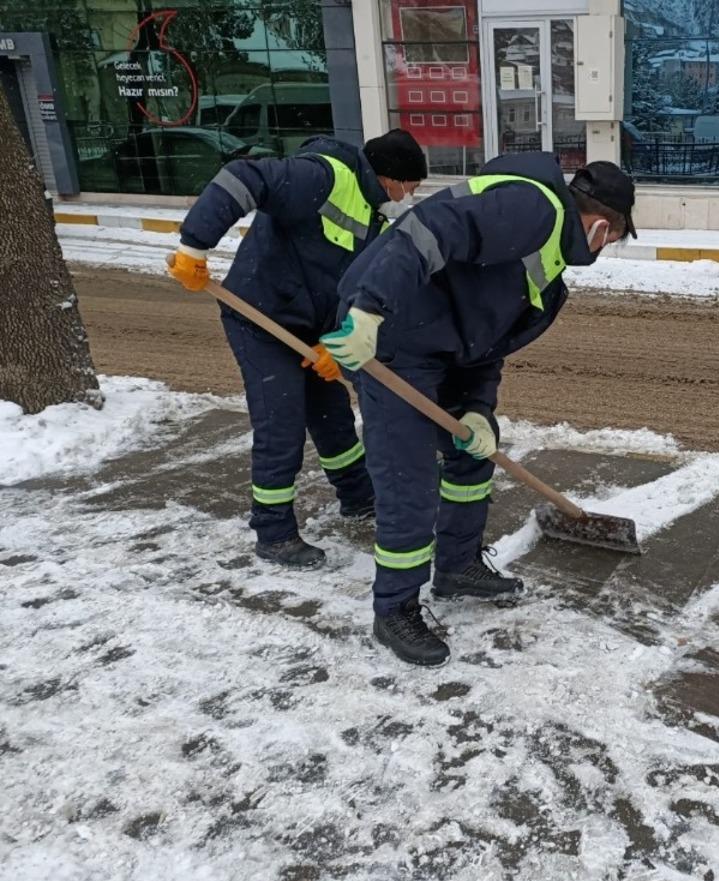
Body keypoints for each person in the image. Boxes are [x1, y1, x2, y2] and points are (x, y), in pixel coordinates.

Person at [322, 152, 636, 667]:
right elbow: (424, 230)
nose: (605, 248)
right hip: (389, 333)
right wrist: (367, 309)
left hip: (439, 348)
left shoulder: (549, 276)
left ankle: (457, 565)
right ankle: (395, 608)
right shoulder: (534, 208)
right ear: (601, 227)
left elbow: (489, 345)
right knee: (409, 477)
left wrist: (474, 407)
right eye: (613, 240)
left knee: (473, 451)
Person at [166, 129, 427, 569]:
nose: (410, 195)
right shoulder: (323, 175)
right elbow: (243, 177)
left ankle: (358, 497)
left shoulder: (374, 216)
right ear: (389, 178)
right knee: (281, 423)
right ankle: (274, 532)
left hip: (309, 328)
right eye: (410, 186)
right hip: (259, 318)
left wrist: (332, 344)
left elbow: (349, 289)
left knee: (333, 417)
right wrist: (194, 245)